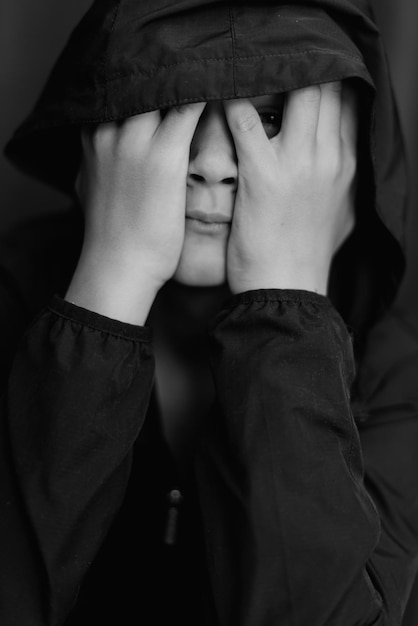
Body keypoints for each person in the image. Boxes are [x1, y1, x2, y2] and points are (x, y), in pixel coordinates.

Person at [1, 0, 418, 624]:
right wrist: (112, 277)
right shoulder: (10, 293)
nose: (214, 165)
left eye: (271, 117)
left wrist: (286, 308)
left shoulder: (398, 373)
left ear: (347, 157)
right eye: (174, 105)